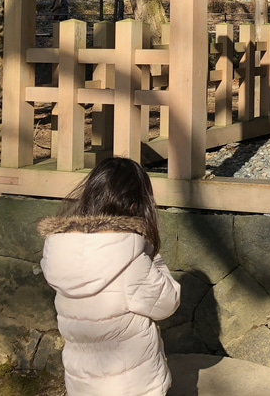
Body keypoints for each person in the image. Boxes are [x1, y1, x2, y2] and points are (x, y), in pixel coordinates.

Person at [38, 157, 180, 396]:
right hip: (134, 387)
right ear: (135, 206)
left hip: (81, 384)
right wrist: (152, 256)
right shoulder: (131, 259)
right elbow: (167, 302)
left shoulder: (59, 250)